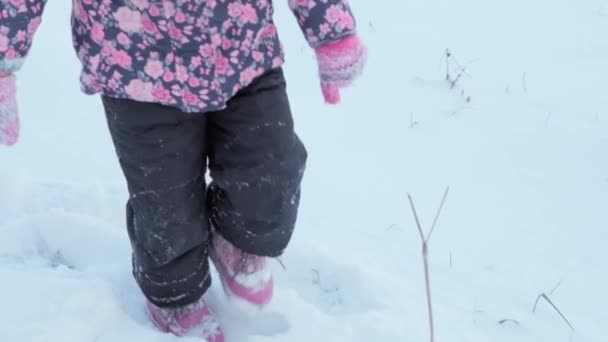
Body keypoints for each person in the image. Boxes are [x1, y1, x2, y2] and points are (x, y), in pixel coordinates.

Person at [0, 0, 366, 340]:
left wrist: (331, 30)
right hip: (135, 66)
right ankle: (175, 296)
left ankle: (235, 241)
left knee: (271, 168)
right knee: (166, 209)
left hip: (242, 50)